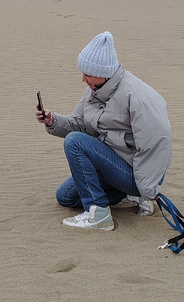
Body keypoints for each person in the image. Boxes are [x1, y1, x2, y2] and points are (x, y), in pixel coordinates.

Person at [35, 31, 172, 231]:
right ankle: (126, 195)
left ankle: (98, 214)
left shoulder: (138, 97)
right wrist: (53, 120)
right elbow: (81, 124)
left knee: (74, 142)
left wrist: (147, 190)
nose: (83, 79)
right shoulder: (95, 89)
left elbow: (158, 144)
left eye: (87, 74)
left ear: (104, 73)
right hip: (115, 163)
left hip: (139, 174)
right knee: (65, 196)